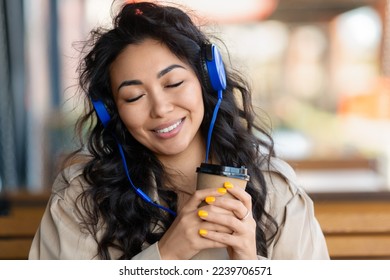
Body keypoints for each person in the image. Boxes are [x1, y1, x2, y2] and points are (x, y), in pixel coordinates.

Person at [29, 1, 329, 260]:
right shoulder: (83, 198)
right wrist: (166, 254)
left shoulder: (277, 192)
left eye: (173, 83)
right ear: (112, 111)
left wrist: (248, 264)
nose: (160, 108)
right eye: (134, 96)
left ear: (208, 80)